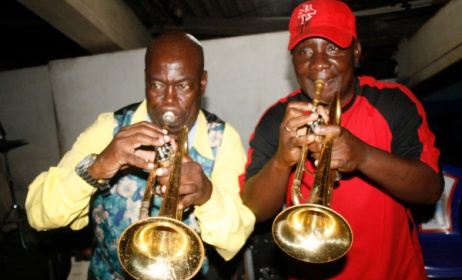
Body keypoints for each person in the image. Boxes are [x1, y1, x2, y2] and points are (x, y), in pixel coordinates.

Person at [26, 31, 255, 279]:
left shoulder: (222, 138)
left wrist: (208, 195)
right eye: (157, 84)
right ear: (145, 79)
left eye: (183, 86)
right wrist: (98, 167)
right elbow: (39, 215)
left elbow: (235, 240)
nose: (168, 101)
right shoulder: (109, 127)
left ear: (202, 83)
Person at [240, 0, 443, 279]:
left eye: (333, 48)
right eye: (305, 51)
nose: (319, 64)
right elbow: (253, 210)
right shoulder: (276, 119)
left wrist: (364, 156)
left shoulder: (394, 102)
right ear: (293, 62)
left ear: (357, 52)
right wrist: (281, 161)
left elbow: (431, 190)